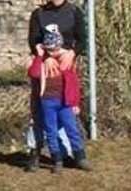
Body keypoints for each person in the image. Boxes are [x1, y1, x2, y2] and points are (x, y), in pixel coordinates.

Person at [26, 0, 85, 171]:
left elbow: (81, 40)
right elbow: (33, 40)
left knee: (66, 116)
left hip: (65, 70)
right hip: (45, 70)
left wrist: (72, 54)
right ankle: (34, 152)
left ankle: (67, 154)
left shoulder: (74, 12)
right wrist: (47, 57)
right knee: (38, 113)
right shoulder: (39, 14)